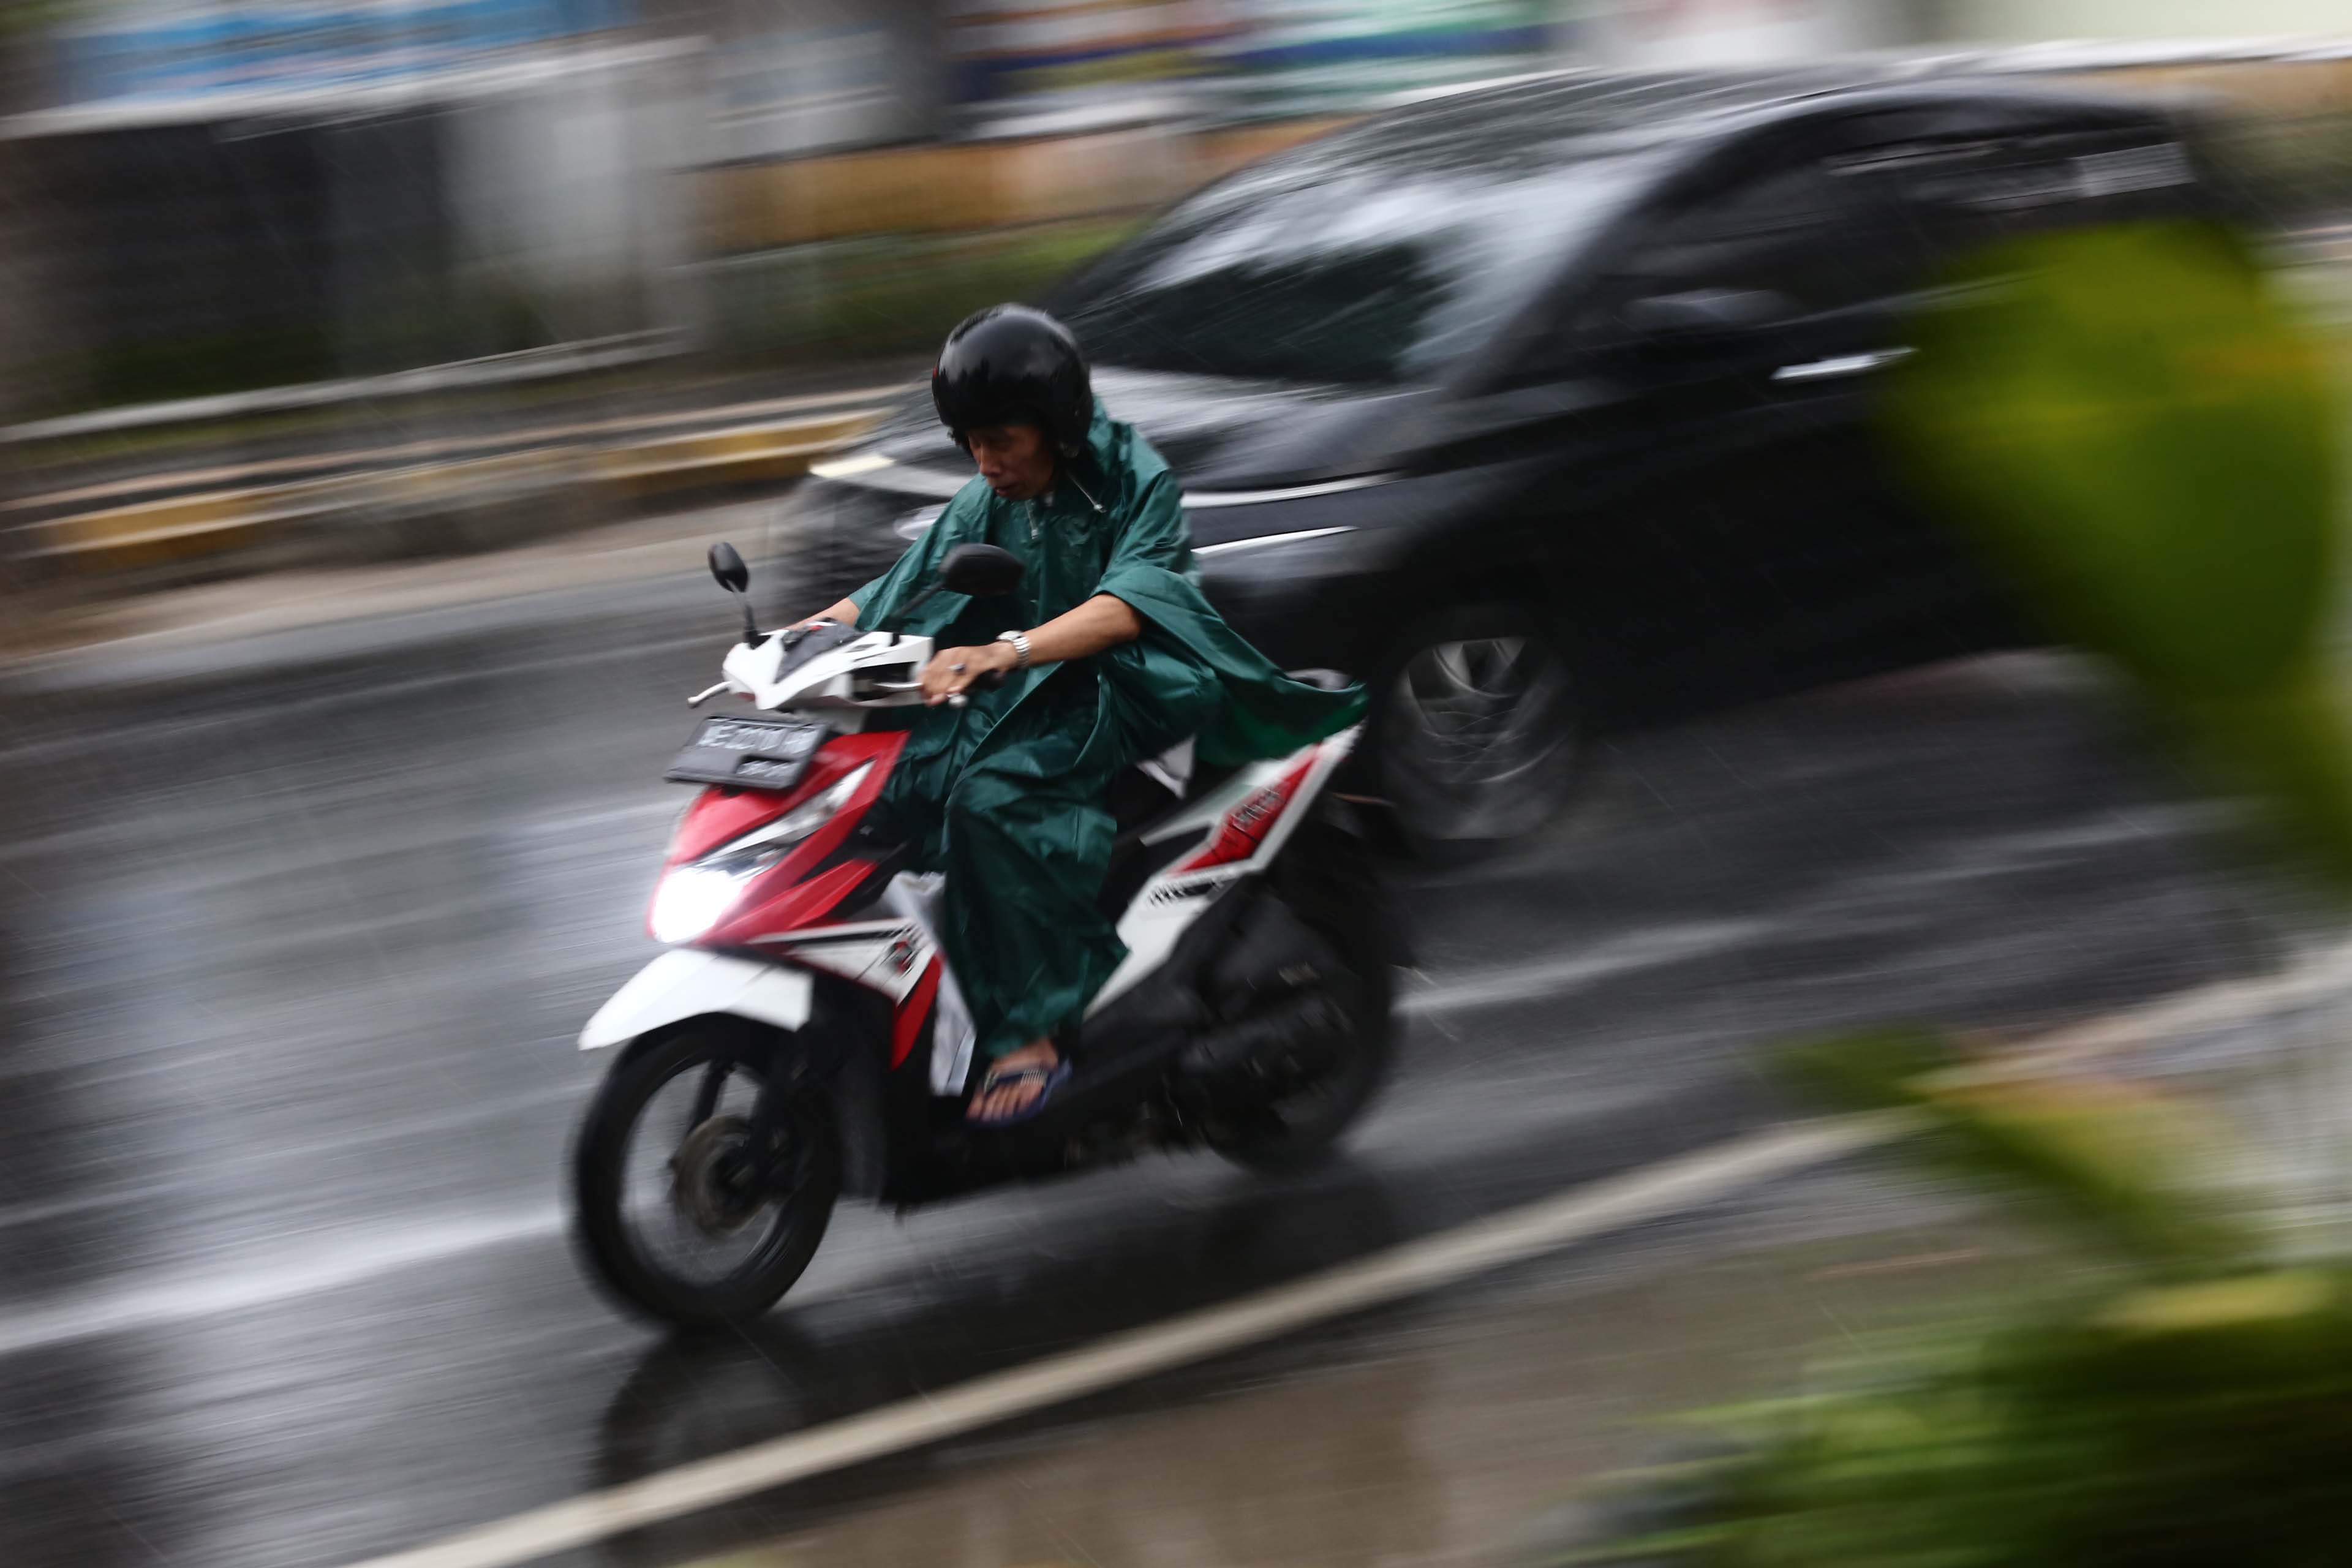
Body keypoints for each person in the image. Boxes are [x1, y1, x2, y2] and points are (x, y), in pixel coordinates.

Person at [791, 304, 1364, 1123]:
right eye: (971, 440)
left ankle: (1033, 1034)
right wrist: (794, 642)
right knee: (895, 776)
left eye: (1002, 439)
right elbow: (901, 588)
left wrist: (1006, 652)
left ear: (1054, 423)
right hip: (1040, 684)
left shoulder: (1134, 481)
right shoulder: (995, 489)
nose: (985, 459)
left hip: (1139, 687)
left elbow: (1131, 606)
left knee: (996, 798)